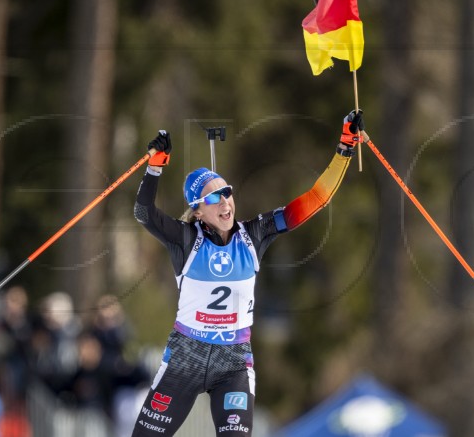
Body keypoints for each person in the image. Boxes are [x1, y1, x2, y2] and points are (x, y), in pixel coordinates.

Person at [130, 111, 364, 436]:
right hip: (186, 357)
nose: (225, 201)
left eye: (227, 191)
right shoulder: (185, 239)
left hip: (233, 363)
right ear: (198, 209)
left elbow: (316, 199)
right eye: (213, 197)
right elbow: (144, 212)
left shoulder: (254, 235)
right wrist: (155, 166)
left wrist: (345, 147)